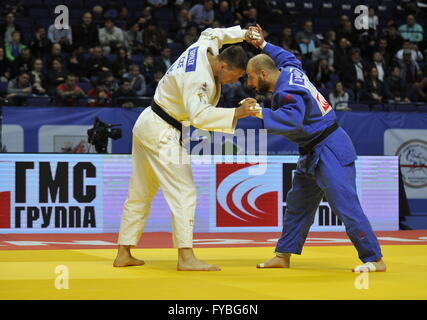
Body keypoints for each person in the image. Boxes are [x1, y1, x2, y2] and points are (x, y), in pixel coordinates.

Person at [113, 25, 260, 271]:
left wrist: (244, 33)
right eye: (234, 76)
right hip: (162, 131)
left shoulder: (206, 46)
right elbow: (199, 116)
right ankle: (186, 257)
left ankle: (123, 252)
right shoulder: (199, 78)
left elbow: (214, 32)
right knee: (184, 191)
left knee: (140, 191)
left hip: (148, 122)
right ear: (223, 66)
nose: (235, 82)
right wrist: (238, 112)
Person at [245, 24, 386, 273]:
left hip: (329, 147)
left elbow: (292, 120)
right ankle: (283, 255)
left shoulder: (286, 91)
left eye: (251, 77)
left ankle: (374, 258)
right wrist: (263, 44)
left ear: (264, 74)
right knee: (298, 203)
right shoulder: (290, 70)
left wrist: (258, 111)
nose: (249, 83)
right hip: (312, 150)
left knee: (345, 204)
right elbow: (287, 56)